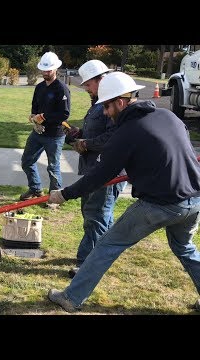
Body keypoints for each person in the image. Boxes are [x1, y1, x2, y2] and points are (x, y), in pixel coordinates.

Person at [47, 71, 200, 313]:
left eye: (107, 106)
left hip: (160, 204)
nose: (106, 113)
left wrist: (65, 194)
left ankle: (71, 297)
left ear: (120, 102)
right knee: (186, 248)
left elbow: (100, 174)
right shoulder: (168, 116)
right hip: (194, 201)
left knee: (107, 245)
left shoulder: (126, 133)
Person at [63, 60, 127, 278]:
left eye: (88, 84)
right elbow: (98, 132)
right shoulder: (99, 103)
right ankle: (102, 256)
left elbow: (113, 137)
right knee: (98, 216)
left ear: (101, 79)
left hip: (106, 172)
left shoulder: (112, 105)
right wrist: (78, 134)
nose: (86, 88)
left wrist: (86, 143)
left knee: (96, 216)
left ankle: (87, 264)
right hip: (94, 169)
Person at [19, 51, 70, 201]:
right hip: (38, 133)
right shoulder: (40, 87)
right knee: (27, 161)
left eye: (49, 70)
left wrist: (43, 118)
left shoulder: (61, 89)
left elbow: (64, 114)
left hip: (55, 135)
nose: (46, 72)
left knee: (53, 167)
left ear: (55, 69)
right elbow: (35, 106)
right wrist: (34, 118)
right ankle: (35, 189)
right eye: (44, 69)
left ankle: (55, 197)